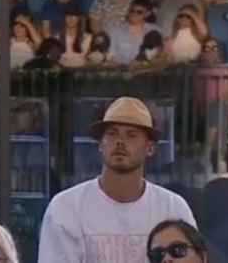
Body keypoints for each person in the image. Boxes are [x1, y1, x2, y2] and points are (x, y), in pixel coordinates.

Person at [37, 96, 195, 263]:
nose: (120, 142)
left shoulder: (173, 209)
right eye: (112, 134)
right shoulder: (66, 208)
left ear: (149, 148)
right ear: (100, 144)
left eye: (131, 135)